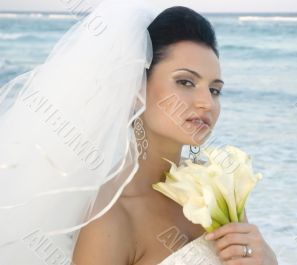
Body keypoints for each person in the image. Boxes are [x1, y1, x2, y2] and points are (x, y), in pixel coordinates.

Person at [0, 0, 278, 264]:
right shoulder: (112, 217)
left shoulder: (217, 189)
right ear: (135, 88)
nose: (207, 102)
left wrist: (268, 260)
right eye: (185, 82)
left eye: (214, 89)